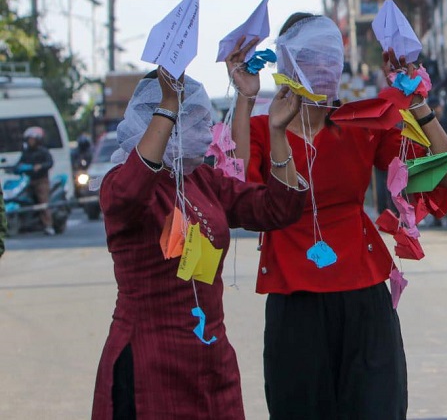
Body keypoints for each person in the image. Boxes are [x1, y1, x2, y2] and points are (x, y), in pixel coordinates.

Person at [229, 13, 447, 420]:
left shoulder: (362, 123)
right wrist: (246, 98)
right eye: (310, 58)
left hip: (365, 295)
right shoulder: (262, 130)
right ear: (287, 64)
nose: (322, 70)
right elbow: (238, 196)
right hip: (295, 299)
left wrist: (418, 102)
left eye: (328, 59)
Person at [91, 67, 308, 420]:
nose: (202, 129)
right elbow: (131, 192)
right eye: (189, 118)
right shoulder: (120, 183)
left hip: (210, 357)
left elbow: (278, 208)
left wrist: (277, 132)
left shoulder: (201, 180)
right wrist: (168, 103)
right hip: (151, 361)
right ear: (158, 120)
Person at [15, 126, 54, 235]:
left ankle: (48, 225)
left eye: (32, 139)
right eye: (29, 139)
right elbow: (19, 164)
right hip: (27, 181)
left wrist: (40, 166)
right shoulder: (26, 152)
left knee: (43, 202)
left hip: (41, 180)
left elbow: (50, 163)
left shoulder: (43, 152)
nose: (30, 141)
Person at [429, 95, 447, 227]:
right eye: (434, 108)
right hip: (433, 161)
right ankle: (437, 219)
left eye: (437, 107)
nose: (436, 110)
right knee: (435, 191)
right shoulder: (426, 124)